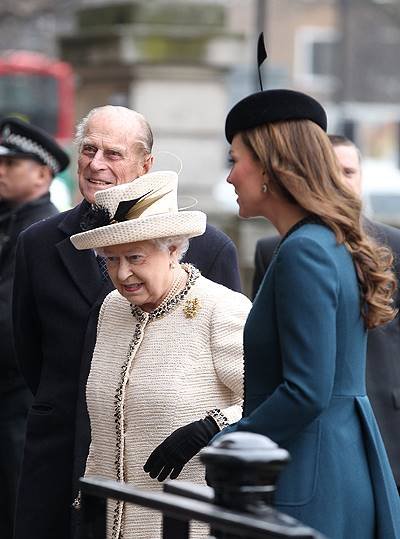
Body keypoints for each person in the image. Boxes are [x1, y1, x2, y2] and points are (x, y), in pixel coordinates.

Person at [12, 105, 242, 539]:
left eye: (113, 154)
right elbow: (30, 353)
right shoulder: (37, 242)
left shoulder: (208, 248)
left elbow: (240, 380)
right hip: (58, 456)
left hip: (162, 479)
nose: (96, 164)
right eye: (88, 149)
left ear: (146, 165)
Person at [214, 88, 400, 538]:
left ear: (268, 167)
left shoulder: (305, 250)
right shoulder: (322, 241)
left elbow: (306, 390)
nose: (229, 177)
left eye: (235, 159)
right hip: (327, 463)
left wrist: (230, 443)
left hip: (310, 478)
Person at [69, 169, 251, 538]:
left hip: (186, 523)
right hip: (106, 519)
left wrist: (210, 426)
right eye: (111, 260)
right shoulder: (112, 308)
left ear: (172, 248)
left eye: (135, 257)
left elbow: (265, 399)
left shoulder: (221, 309)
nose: (122, 274)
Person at [253, 134, 400, 495]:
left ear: (363, 178)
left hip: (387, 417)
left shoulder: (395, 244)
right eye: (333, 171)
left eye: (349, 171)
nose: (341, 181)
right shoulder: (274, 248)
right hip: (310, 432)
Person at [0, 117, 69, 539]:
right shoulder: (11, 220)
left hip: (17, 399)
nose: (1, 171)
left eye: (12, 165)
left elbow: (8, 324)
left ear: (43, 174)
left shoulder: (38, 230)